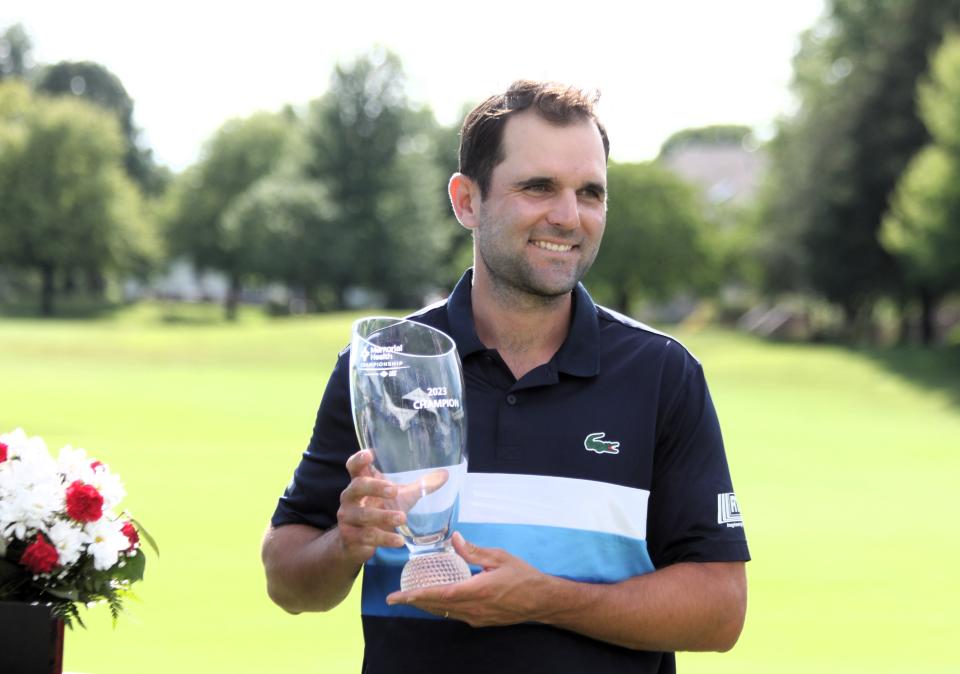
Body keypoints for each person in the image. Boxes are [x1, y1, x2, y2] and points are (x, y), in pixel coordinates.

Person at [262, 80, 749, 674]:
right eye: (538, 186)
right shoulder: (383, 363)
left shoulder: (661, 374)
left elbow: (720, 611)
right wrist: (345, 542)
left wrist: (547, 601)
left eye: (590, 193)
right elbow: (287, 581)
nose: (568, 216)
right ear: (467, 200)